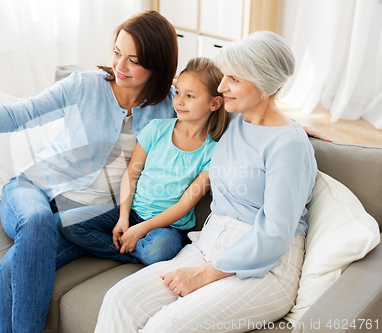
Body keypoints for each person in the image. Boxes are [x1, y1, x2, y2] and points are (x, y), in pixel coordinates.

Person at [0, 10, 179, 333]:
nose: (119, 66)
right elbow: (22, 113)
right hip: (33, 191)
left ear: (157, 64)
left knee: (15, 266)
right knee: (38, 220)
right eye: (116, 52)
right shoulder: (85, 86)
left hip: (91, 216)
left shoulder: (171, 106)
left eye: (134, 59)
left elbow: (216, 116)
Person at [94, 31, 318, 333]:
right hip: (210, 243)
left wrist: (204, 274)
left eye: (234, 80)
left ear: (264, 85)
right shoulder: (233, 118)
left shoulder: (289, 146)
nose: (222, 87)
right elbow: (188, 103)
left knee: (166, 327)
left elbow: (274, 235)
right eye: (225, 76)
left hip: (266, 265)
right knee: (119, 299)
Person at [60, 58, 227, 266]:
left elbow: (185, 204)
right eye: (178, 93)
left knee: (158, 250)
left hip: (168, 227)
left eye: (190, 96)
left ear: (215, 103)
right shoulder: (156, 129)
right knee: (68, 223)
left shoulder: (213, 152)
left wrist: (141, 229)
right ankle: (131, 250)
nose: (179, 101)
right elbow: (131, 174)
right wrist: (123, 218)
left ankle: (134, 247)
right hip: (133, 213)